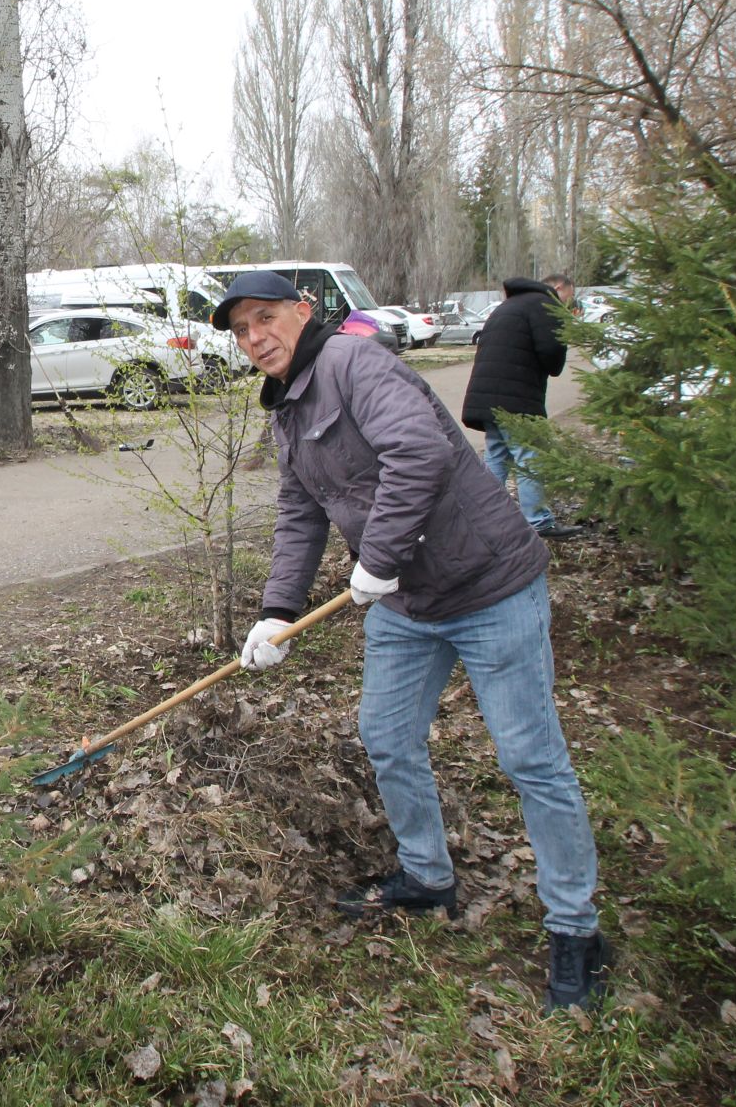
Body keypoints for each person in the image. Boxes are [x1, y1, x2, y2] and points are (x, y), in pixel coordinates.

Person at [213, 270, 610, 1012]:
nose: (254, 338)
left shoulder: (354, 363)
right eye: (240, 330)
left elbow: (420, 452)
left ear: (304, 311)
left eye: (264, 318)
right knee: (387, 736)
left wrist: (380, 558)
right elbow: (301, 514)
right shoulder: (287, 412)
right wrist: (276, 610)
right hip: (409, 603)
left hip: (490, 583)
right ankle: (427, 877)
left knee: (531, 758)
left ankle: (576, 929)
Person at [461, 274, 581, 539]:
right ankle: (538, 521)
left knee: (497, 457)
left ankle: (485, 517)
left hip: (488, 398)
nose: (567, 304)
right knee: (531, 458)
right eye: (568, 297)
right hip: (517, 398)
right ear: (559, 288)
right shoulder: (543, 304)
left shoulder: (507, 307)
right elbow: (551, 354)